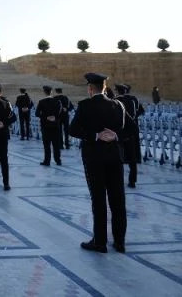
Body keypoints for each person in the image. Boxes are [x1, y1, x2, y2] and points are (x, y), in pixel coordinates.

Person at [69, 72, 127, 253]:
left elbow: (73, 130)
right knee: (118, 200)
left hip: (94, 159)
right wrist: (115, 135)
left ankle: (100, 241)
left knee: (99, 200)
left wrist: (95, 136)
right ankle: (120, 241)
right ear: (104, 87)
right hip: (115, 157)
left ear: (90, 88)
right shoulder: (118, 105)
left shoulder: (85, 105)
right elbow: (131, 128)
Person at [115, 84, 144, 188]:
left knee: (117, 157)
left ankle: (117, 180)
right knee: (132, 158)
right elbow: (141, 110)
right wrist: (134, 118)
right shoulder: (133, 99)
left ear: (117, 91)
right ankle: (132, 181)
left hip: (118, 132)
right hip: (131, 130)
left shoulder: (114, 101)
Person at [36, 86, 63, 166]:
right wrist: (55, 118)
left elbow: (37, 113)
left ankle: (47, 161)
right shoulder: (58, 102)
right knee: (56, 144)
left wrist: (46, 117)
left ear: (44, 92)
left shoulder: (41, 102)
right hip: (55, 126)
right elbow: (61, 113)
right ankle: (58, 160)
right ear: (51, 92)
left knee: (46, 145)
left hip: (45, 126)